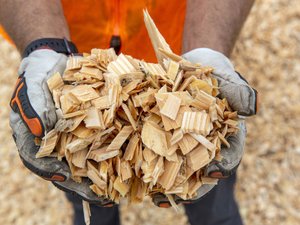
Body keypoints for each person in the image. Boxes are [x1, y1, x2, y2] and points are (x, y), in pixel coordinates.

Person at [0, 1, 258, 225]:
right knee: (82, 178)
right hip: (76, 62)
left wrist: (206, 51)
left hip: (177, 52)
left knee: (206, 176)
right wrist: (45, 44)